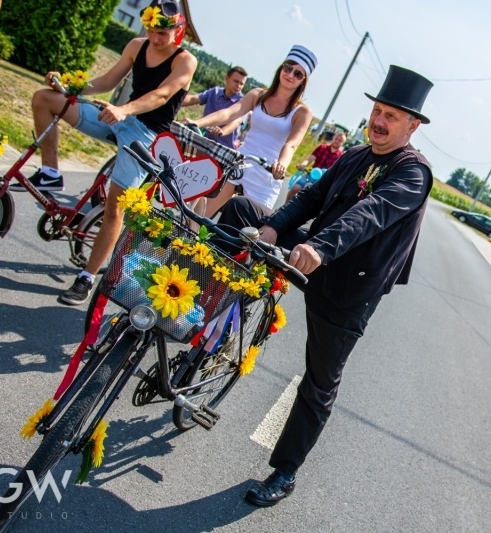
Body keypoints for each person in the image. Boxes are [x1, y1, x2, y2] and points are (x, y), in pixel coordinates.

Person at [214, 65, 433, 507]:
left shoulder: (413, 173)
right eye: (377, 110)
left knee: (319, 382)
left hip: (348, 285)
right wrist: (275, 228)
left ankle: (285, 472)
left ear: (413, 125)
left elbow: (371, 213)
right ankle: (203, 310)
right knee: (240, 209)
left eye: (391, 115)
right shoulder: (355, 155)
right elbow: (313, 198)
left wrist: (321, 247)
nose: (379, 120)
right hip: (307, 251)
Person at [11, 0, 197, 305]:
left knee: (115, 209)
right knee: (45, 99)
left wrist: (124, 110)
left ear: (179, 30)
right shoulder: (137, 45)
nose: (156, 37)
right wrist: (69, 85)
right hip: (118, 117)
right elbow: (108, 81)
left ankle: (86, 279)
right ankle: (50, 172)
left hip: (144, 134)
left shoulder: (185, 61)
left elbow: (162, 94)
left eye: (164, 32)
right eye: (151, 29)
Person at [187, 45, 315, 216]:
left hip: (267, 172)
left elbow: (292, 144)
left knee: (247, 230)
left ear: (303, 81)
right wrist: (197, 123)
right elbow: (229, 112)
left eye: (298, 74)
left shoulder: (302, 112)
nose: (290, 75)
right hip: (241, 161)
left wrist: (281, 165)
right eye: (288, 68)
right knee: (199, 213)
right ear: (281, 68)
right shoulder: (258, 95)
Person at [181, 65, 247, 149]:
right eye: (236, 81)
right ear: (226, 78)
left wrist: (223, 131)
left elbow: (236, 122)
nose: (239, 86)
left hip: (222, 148)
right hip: (202, 142)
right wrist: (172, 101)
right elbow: (193, 99)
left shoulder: (242, 102)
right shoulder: (214, 92)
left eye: (241, 84)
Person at [285, 131, 346, 202]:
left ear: (343, 143)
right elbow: (310, 158)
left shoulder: (341, 157)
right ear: (333, 138)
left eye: (340, 140)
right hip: (311, 175)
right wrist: (303, 164)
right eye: (336, 138)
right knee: (295, 188)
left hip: (325, 182)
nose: (337, 141)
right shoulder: (322, 147)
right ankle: (283, 207)